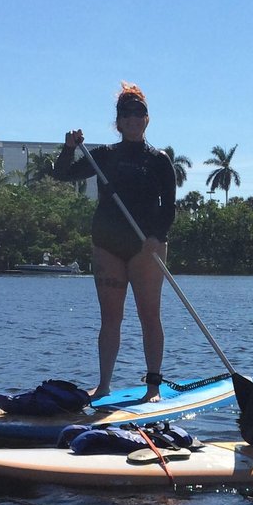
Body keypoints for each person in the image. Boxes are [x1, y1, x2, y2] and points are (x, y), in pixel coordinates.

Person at [52, 83, 176, 401]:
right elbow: (62, 174)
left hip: (146, 247)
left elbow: (170, 207)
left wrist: (157, 237)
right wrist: (69, 147)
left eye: (139, 113)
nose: (133, 119)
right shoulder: (103, 156)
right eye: (126, 113)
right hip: (107, 245)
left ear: (147, 119)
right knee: (111, 318)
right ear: (118, 122)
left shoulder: (160, 160)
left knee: (149, 315)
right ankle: (104, 384)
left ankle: (153, 387)